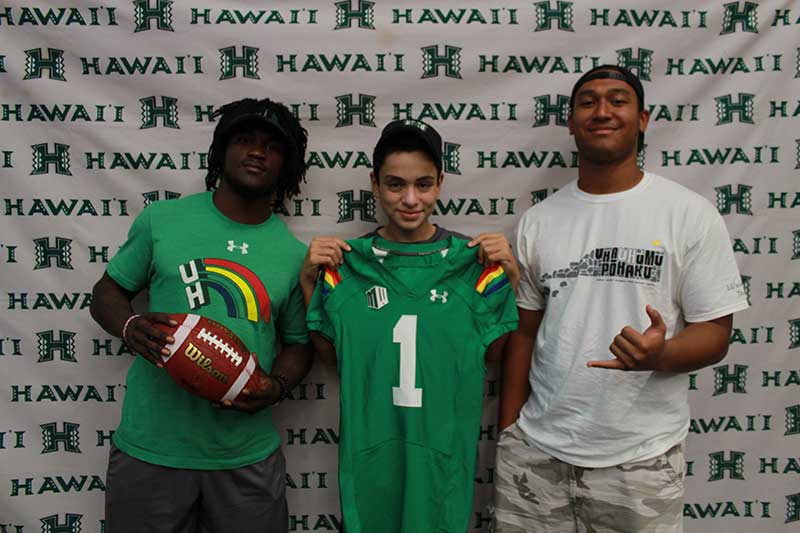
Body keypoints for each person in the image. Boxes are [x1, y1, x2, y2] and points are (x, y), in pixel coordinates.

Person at [491, 65, 750, 532]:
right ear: (571, 122)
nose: (602, 111)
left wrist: (662, 353)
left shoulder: (688, 214)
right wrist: (510, 433)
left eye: (617, 100)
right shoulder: (539, 221)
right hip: (536, 455)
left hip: (640, 460)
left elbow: (716, 333)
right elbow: (524, 333)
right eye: (588, 102)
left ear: (644, 119)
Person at [89, 98, 314, 533]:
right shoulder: (164, 220)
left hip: (245, 453)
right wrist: (130, 325)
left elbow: (299, 343)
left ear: (286, 164)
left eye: (271, 147)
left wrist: (277, 387)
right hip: (151, 448)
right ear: (220, 150)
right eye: (244, 140)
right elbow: (108, 291)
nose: (256, 152)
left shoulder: (292, 254)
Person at [301, 119, 520, 532]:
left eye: (423, 184)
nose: (410, 199)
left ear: (440, 182)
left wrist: (509, 282)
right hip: (372, 464)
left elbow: (493, 356)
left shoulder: (475, 268)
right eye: (395, 184)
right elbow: (331, 357)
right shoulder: (346, 267)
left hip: (441, 460)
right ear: (375, 185)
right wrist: (309, 283)